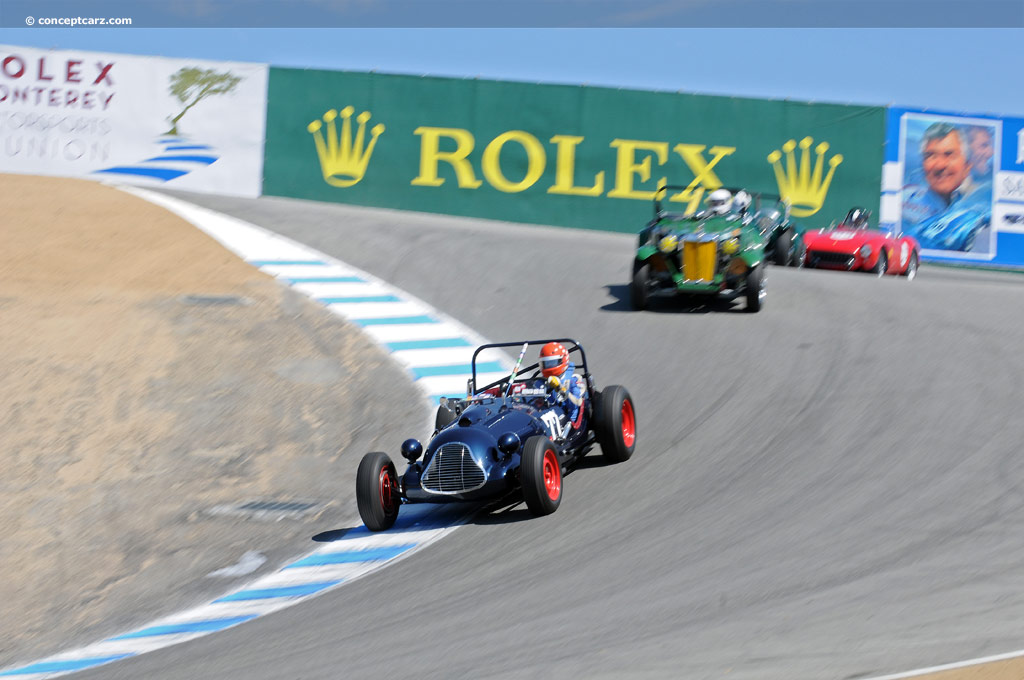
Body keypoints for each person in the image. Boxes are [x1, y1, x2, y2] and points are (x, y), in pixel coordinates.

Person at [902, 122, 991, 252]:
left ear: (967, 166)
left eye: (949, 155)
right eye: (931, 155)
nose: (940, 165)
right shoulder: (906, 202)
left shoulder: (975, 209)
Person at [536, 342, 584, 432]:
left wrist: (560, 388)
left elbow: (577, 403)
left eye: (552, 363)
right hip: (544, 416)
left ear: (563, 360)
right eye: (546, 363)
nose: (549, 367)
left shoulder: (573, 380)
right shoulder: (540, 382)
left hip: (567, 422)